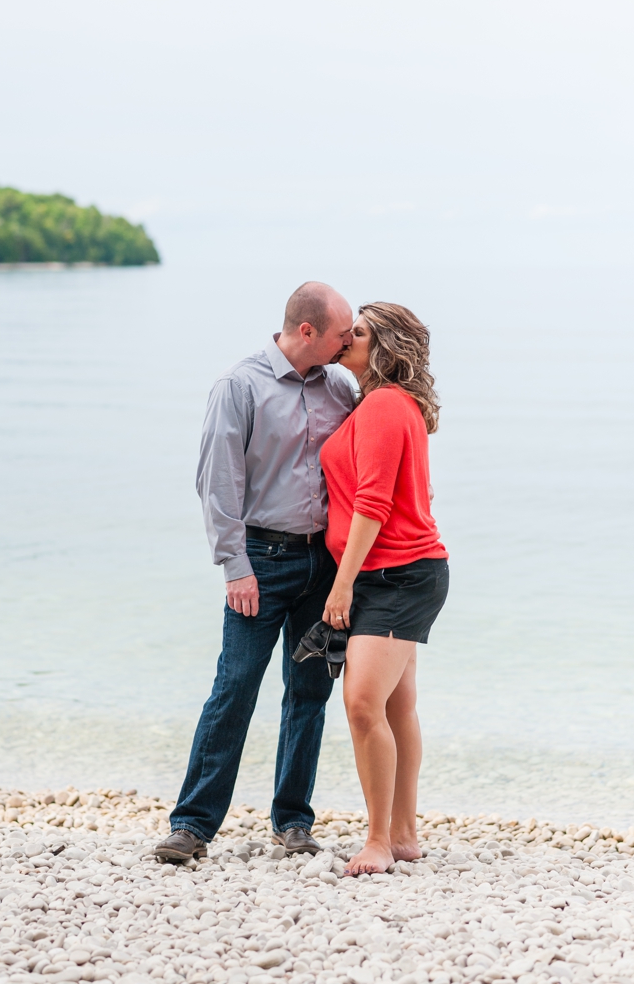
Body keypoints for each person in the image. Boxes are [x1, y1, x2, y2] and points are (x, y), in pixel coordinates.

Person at [149, 282, 358, 864]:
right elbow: (216, 482)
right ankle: (192, 825)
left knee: (309, 692)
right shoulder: (239, 387)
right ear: (308, 331)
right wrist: (234, 566)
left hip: (325, 564)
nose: (349, 343)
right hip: (260, 563)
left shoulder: (340, 385)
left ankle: (293, 820)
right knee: (235, 687)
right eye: (342, 333)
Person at [319, 302, 448, 876]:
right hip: (401, 568)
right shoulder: (391, 405)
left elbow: (373, 503)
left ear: (385, 348)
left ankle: (376, 841)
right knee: (397, 705)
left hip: (393, 573)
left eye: (360, 334)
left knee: (362, 704)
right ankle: (402, 834)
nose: (347, 339)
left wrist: (341, 586)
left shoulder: (382, 404)